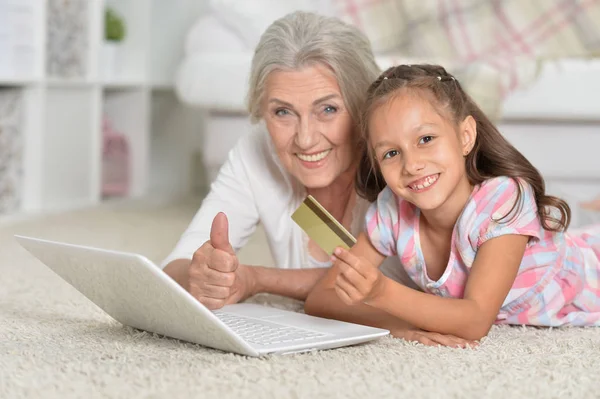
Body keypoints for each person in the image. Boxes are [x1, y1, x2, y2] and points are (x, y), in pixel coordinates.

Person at [162, 13, 471, 347]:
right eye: (282, 112)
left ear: (362, 108)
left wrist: (257, 279)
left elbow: (398, 288)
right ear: (262, 111)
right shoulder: (257, 150)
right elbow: (172, 270)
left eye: (328, 110)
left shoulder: (402, 161)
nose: (306, 139)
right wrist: (201, 276)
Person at [305, 64, 600, 342]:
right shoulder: (391, 209)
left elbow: (475, 321)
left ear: (465, 136)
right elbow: (322, 298)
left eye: (426, 139)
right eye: (391, 153)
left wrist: (381, 293)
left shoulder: (503, 199)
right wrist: (399, 327)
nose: (412, 165)